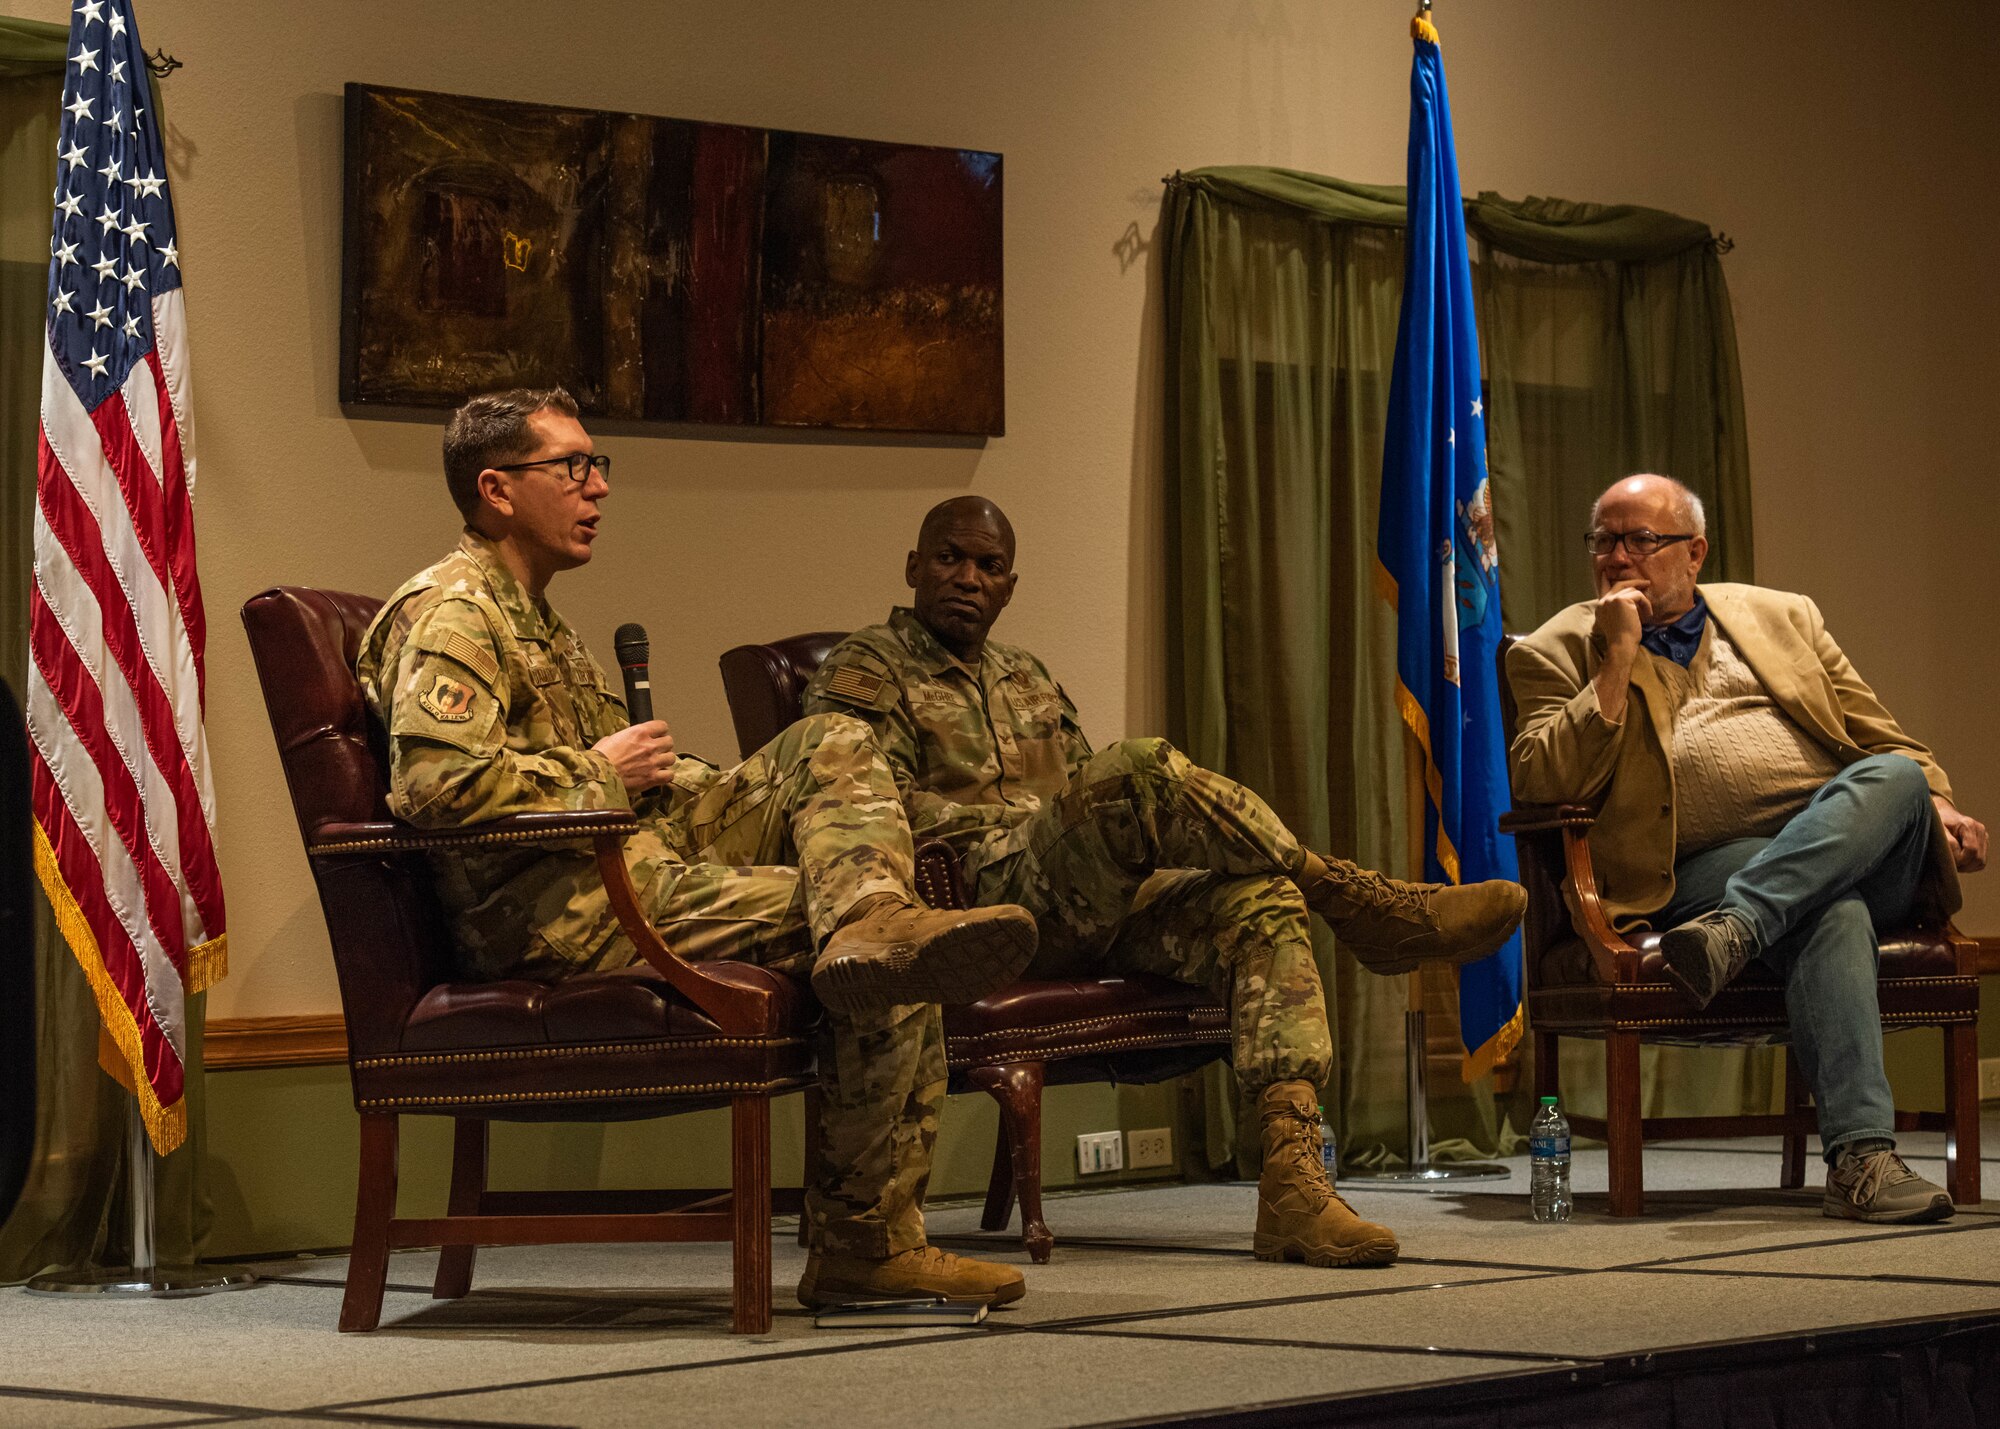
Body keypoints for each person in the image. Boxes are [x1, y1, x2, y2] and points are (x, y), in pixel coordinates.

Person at [356, 389, 1043, 1308]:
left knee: (834, 746)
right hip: (562, 916)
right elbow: (434, 788)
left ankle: (874, 928)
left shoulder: (539, 618)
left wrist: (688, 776)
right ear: (497, 489)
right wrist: (598, 770)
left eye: (599, 466)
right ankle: (865, 1244)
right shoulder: (456, 613)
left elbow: (638, 780)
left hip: (633, 869)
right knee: (891, 946)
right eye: (572, 468)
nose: (597, 487)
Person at [802, 496, 1527, 1268]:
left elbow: (1079, 788)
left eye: (989, 566)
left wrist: (1086, 827)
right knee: (1140, 768)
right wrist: (1042, 826)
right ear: (915, 567)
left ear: (1011, 584)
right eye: (949, 559)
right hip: (975, 907)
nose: (968, 578)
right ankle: (1354, 897)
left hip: (1076, 898)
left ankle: (1292, 1184)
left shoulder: (1027, 677)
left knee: (1259, 900)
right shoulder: (868, 668)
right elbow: (861, 817)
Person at [1507, 473, 1988, 1223]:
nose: (1617, 556)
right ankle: (1862, 1159)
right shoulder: (1555, 646)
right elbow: (1542, 778)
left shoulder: (1784, 616)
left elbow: (1886, 741)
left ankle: (1742, 926)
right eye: (1603, 540)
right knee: (1831, 910)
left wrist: (1935, 798)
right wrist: (1615, 659)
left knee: (1891, 777)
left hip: (1846, 845)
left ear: (1693, 552)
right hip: (1696, 872)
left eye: (1641, 539)